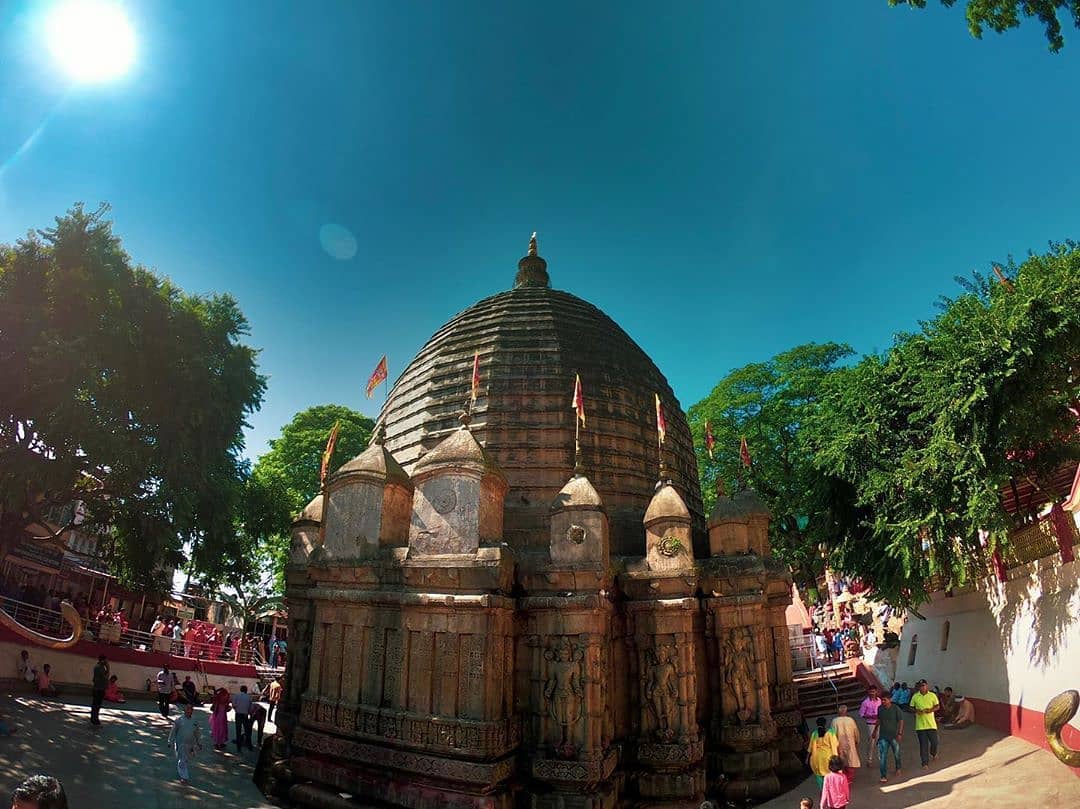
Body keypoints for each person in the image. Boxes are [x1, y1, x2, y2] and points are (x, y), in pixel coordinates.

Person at [872, 690, 904, 782]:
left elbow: (901, 721)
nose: (883, 702)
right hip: (883, 736)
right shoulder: (880, 709)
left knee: (896, 753)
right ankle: (883, 775)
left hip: (894, 736)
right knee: (883, 757)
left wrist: (900, 733)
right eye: (882, 700)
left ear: (890, 699)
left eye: (885, 700)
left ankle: (898, 768)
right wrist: (875, 731)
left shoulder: (896, 709)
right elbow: (878, 720)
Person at [167, 703, 202, 784]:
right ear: (184, 711)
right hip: (180, 743)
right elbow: (173, 732)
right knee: (182, 759)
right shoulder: (179, 720)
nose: (189, 711)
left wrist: (199, 742)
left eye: (191, 710)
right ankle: (184, 776)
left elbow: (197, 732)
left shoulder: (194, 721)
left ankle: (183, 772)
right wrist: (170, 741)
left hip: (190, 744)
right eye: (188, 709)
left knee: (186, 759)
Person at [910, 679, 940, 768]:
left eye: (923, 685)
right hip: (920, 725)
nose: (922, 687)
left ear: (927, 686)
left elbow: (937, 706)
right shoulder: (915, 696)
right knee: (923, 744)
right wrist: (917, 711)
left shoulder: (932, 695)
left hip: (931, 724)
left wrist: (931, 710)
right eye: (920, 686)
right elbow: (911, 707)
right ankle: (924, 763)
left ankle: (933, 753)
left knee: (935, 742)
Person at [829, 704, 860, 780]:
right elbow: (856, 731)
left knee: (841, 760)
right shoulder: (850, 720)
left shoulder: (834, 721)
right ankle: (849, 778)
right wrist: (857, 740)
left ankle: (843, 777)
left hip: (839, 744)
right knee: (851, 760)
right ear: (846, 712)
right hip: (850, 743)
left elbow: (832, 734)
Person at [807, 716, 839, 787]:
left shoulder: (814, 733)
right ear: (825, 723)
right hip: (828, 756)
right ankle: (831, 789)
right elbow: (835, 744)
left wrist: (807, 758)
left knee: (819, 775)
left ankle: (823, 790)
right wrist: (836, 757)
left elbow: (810, 748)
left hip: (817, 758)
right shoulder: (830, 732)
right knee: (830, 774)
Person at [858, 686, 881, 764]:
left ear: (876, 692)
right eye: (871, 692)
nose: (872, 693)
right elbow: (861, 714)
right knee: (871, 741)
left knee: (880, 741)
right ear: (868, 692)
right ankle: (869, 759)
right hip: (870, 724)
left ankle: (880, 757)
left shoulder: (879, 701)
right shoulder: (865, 702)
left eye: (873, 691)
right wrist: (871, 716)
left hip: (879, 722)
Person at [232, 684, 254, 751]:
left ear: (240, 690)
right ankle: (249, 745)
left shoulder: (236, 696)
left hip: (238, 714)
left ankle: (239, 747)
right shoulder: (248, 697)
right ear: (246, 690)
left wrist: (237, 710)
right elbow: (251, 708)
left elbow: (233, 705)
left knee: (238, 731)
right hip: (245, 715)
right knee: (247, 731)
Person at [91, 654, 109, 724]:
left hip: (98, 688)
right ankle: (95, 719)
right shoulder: (100, 668)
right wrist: (108, 668)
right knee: (97, 704)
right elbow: (105, 677)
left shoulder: (98, 667)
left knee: (96, 704)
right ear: (103, 660)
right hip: (99, 689)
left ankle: (94, 718)